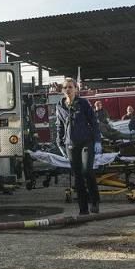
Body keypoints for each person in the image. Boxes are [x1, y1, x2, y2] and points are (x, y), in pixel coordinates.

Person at [55, 78, 102, 215]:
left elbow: (94, 122)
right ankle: (83, 209)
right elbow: (59, 125)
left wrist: (97, 140)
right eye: (65, 87)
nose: (68, 89)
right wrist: (59, 143)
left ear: (76, 89)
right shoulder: (60, 106)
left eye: (70, 87)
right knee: (78, 177)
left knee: (87, 171)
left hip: (86, 142)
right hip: (71, 144)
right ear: (63, 90)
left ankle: (95, 201)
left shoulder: (83, 103)